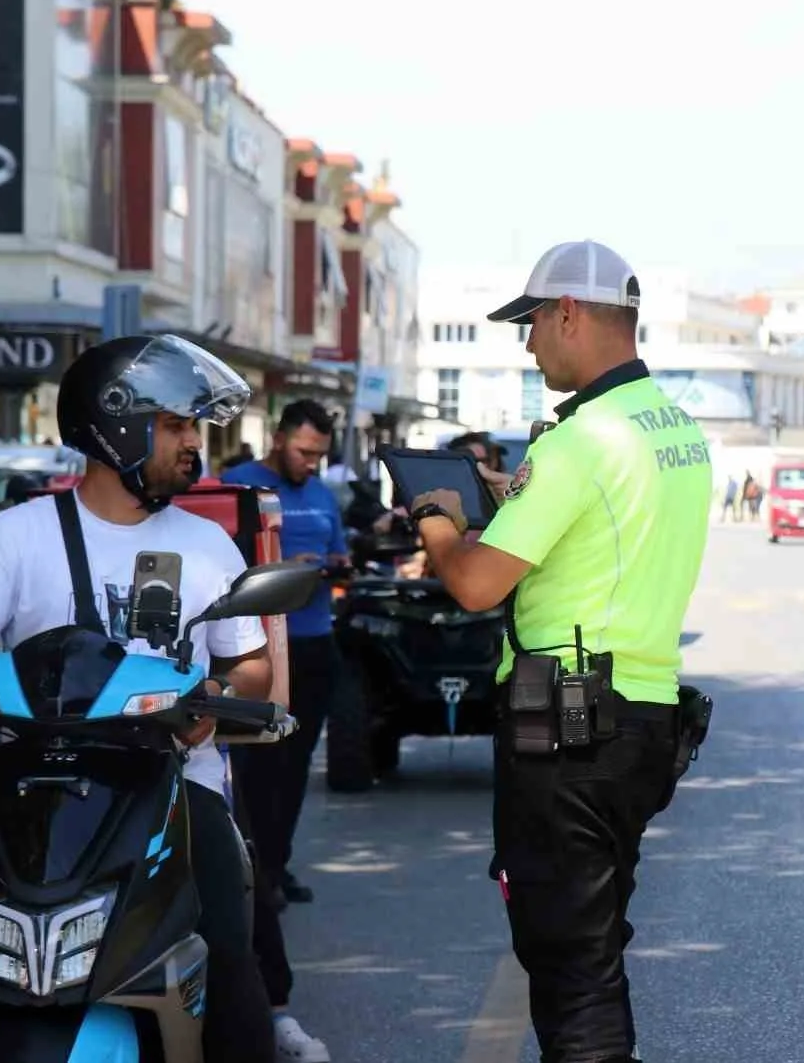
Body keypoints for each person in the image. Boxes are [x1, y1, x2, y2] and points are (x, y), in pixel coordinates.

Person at [0, 334, 325, 1063]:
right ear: (117, 424)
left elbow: (250, 669)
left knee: (231, 951)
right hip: (31, 790)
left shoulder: (207, 545)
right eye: (177, 426)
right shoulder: (17, 536)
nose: (194, 445)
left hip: (176, 791)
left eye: (194, 428)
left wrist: (209, 701)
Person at [407, 240, 711, 1063]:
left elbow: (475, 586)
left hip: (570, 728)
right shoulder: (673, 428)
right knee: (594, 948)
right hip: (643, 719)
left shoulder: (576, 444)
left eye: (532, 323)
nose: (529, 343)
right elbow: (614, 534)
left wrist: (436, 519)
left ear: (569, 313)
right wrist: (519, 497)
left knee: (570, 966)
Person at [222, 400, 351, 906]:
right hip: (259, 645)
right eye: (303, 451)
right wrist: (281, 565)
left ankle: (276, 865)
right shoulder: (239, 483)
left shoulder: (322, 495)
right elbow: (222, 558)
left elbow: (339, 547)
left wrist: (336, 563)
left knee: (295, 766)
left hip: (314, 641)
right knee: (256, 767)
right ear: (278, 439)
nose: (311, 463)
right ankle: (250, 869)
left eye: (319, 454)